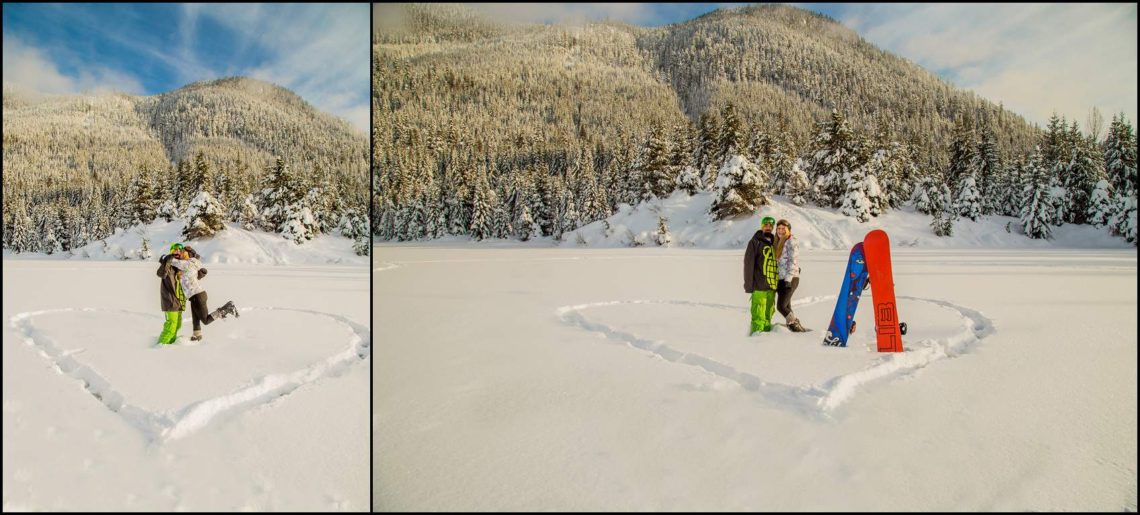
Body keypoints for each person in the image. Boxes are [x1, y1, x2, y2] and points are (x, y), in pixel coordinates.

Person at [169, 245, 238, 341]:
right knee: (195, 318)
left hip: (198, 295)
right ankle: (197, 335)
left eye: (183, 252)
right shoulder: (189, 263)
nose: (181, 253)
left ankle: (226, 308)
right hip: (194, 296)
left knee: (205, 320)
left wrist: (167, 257)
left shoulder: (189, 263)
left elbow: (173, 261)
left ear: (189, 254)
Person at [744, 216, 779, 335]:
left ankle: (766, 341)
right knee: (758, 315)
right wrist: (749, 285)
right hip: (759, 286)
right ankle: (756, 342)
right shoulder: (755, 242)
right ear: (762, 226)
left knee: (768, 314)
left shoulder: (774, 243)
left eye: (770, 225)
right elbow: (748, 265)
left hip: (771, 286)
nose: (768, 227)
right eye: (766, 225)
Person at [774, 219, 808, 332]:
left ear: (788, 230)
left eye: (783, 229)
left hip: (790, 279)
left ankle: (796, 325)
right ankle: (793, 327)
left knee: (781, 306)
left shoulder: (791, 241)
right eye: (778, 228)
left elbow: (793, 261)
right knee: (787, 306)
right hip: (781, 278)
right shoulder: (778, 241)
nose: (780, 231)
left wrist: (788, 280)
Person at [156, 243, 187, 345]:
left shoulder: (181, 266)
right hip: (170, 300)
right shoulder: (168, 264)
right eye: (175, 249)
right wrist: (167, 260)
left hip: (179, 301)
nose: (177, 251)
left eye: (180, 249)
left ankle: (169, 345)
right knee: (171, 326)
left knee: (177, 325)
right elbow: (161, 273)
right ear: (171, 251)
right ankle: (160, 346)